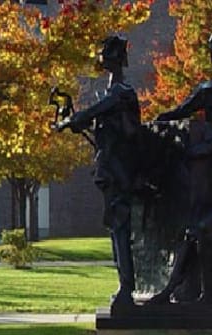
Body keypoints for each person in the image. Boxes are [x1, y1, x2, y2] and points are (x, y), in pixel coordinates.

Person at [52, 35, 143, 307]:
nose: (100, 56)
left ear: (114, 58)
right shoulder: (113, 93)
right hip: (111, 167)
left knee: (120, 227)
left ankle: (127, 288)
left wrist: (72, 119)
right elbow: (98, 121)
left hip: (120, 170)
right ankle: (124, 286)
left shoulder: (120, 93)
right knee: (116, 227)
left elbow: (92, 113)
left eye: (105, 52)